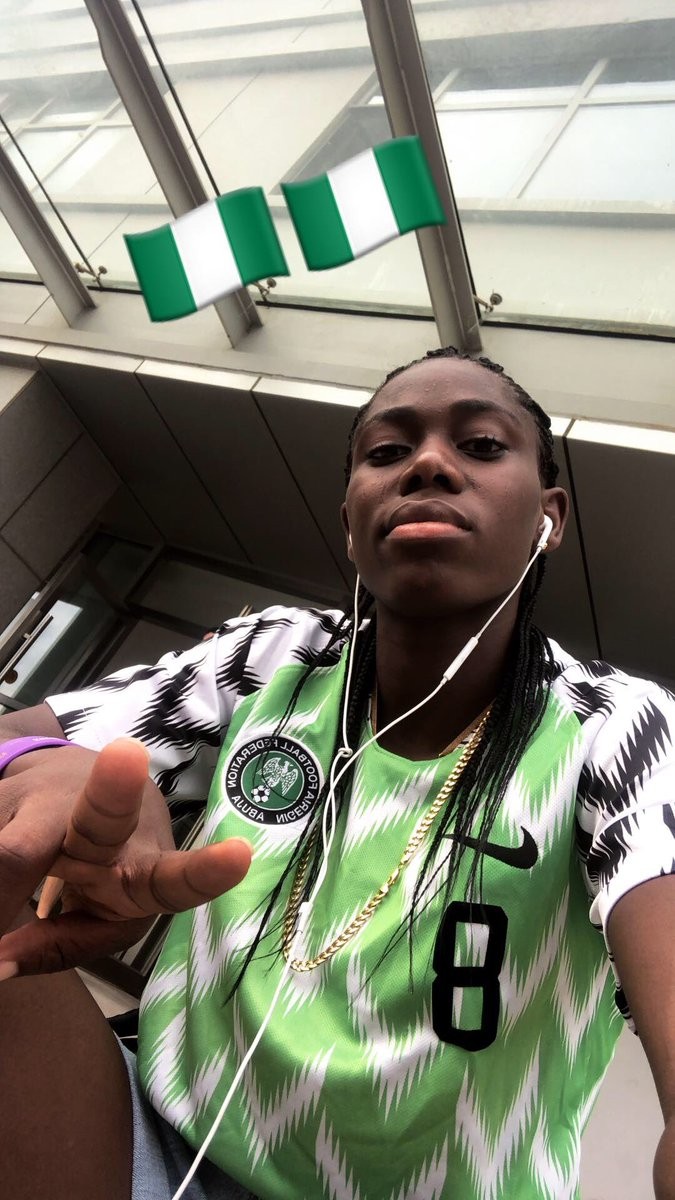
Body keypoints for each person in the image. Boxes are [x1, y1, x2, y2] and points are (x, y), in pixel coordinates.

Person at [0, 346, 673, 1200]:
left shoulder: (617, 726)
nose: (428, 464)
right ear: (350, 523)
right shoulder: (273, 655)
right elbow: (13, 738)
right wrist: (46, 765)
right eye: (386, 451)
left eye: (480, 444)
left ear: (549, 516)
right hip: (140, 1138)